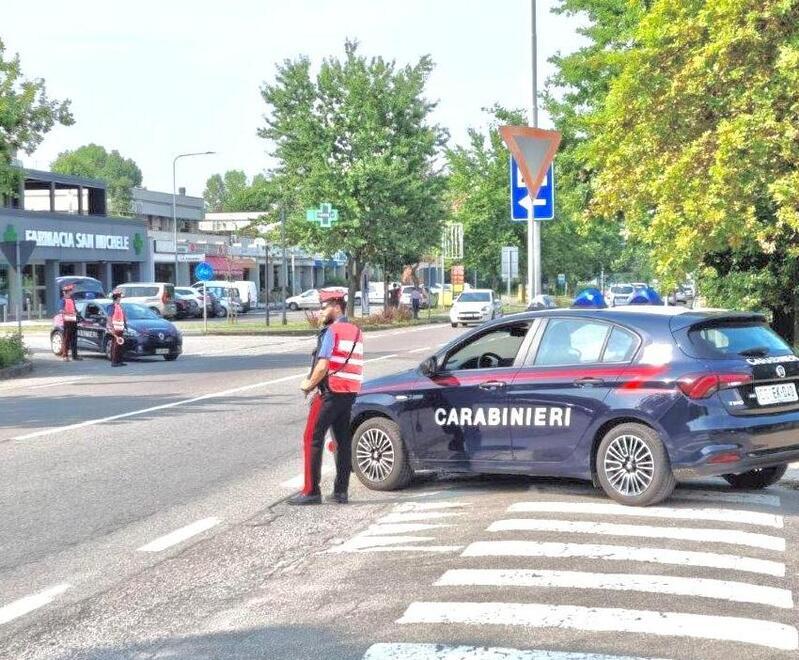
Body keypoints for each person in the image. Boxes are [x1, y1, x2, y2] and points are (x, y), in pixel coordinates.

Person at [289, 289, 363, 505]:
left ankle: (311, 491)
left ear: (336, 306)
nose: (320, 312)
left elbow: (323, 366)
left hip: (330, 393)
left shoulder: (332, 331)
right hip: (348, 393)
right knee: (342, 440)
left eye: (323, 307)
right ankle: (341, 491)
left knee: (312, 437)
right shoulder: (356, 331)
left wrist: (308, 385)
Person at [59, 284, 81, 361]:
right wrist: (70, 313)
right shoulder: (63, 300)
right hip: (67, 321)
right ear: (67, 292)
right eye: (70, 291)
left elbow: (74, 309)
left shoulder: (72, 300)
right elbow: (61, 310)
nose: (72, 292)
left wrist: (77, 313)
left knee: (74, 339)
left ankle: (75, 356)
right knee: (67, 339)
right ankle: (65, 356)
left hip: (73, 321)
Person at [108, 290, 127, 367]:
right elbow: (109, 317)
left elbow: (123, 317)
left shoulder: (119, 306)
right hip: (115, 328)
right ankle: (114, 361)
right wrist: (111, 328)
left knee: (120, 345)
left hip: (121, 328)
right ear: (117, 298)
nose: (120, 298)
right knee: (115, 345)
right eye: (119, 297)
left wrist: (125, 325)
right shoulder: (111, 306)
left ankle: (119, 361)